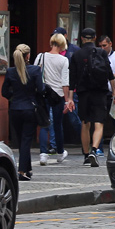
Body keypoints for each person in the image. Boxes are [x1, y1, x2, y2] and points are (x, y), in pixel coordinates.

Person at [1, 43, 45, 181]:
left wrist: (13, 98)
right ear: (28, 56)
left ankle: (27, 168)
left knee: (21, 141)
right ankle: (21, 171)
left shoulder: (10, 72)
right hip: (30, 108)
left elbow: (4, 92)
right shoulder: (35, 70)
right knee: (26, 140)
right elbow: (41, 89)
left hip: (15, 109)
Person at [69, 28, 111, 166]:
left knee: (85, 123)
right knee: (99, 123)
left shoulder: (77, 55)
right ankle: (94, 150)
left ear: (81, 38)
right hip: (100, 92)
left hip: (83, 92)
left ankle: (86, 155)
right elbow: (109, 73)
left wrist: (70, 98)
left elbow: (72, 78)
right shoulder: (101, 52)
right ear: (94, 38)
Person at [36, 33, 74, 165]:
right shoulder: (63, 60)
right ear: (62, 44)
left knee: (44, 124)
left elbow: (35, 73)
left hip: (43, 94)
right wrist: (67, 100)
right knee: (57, 125)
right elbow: (65, 82)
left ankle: (43, 154)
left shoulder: (41, 56)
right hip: (57, 95)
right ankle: (60, 152)